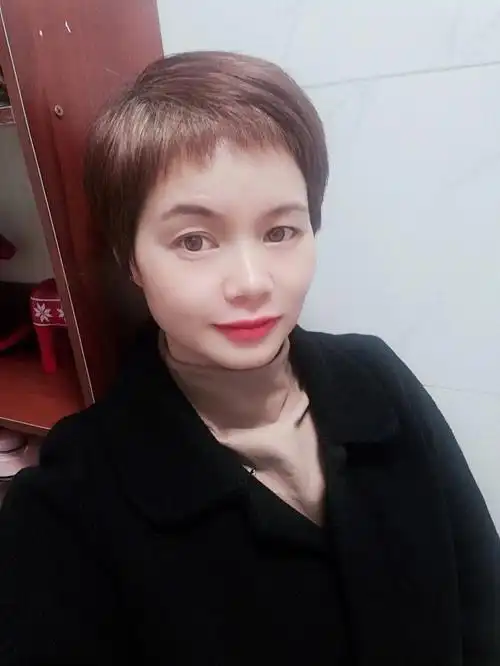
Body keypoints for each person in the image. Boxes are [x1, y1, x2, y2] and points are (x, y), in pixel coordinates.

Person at [0, 51, 498, 666]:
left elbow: (484, 600)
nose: (251, 282)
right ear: (132, 261)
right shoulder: (70, 498)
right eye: (194, 241)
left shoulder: (378, 379)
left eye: (280, 231)